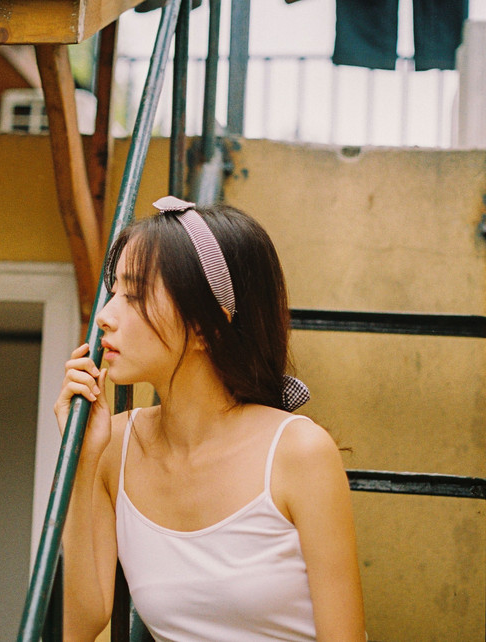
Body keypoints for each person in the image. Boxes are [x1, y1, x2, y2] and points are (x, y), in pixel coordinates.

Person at [55, 196, 365, 641]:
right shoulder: (113, 445)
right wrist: (81, 460)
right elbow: (76, 628)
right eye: (114, 292)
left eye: (135, 295)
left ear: (207, 327)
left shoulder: (299, 452)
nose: (104, 316)